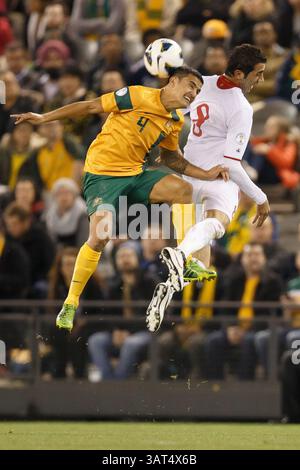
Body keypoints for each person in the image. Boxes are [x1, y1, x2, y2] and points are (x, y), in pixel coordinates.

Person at [12, 65, 228, 331]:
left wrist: (207, 174)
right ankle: (70, 302)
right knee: (100, 236)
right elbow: (92, 107)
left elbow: (173, 159)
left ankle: (184, 260)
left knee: (183, 191)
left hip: (134, 172)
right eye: (190, 85)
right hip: (102, 175)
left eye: (197, 90)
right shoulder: (137, 95)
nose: (194, 93)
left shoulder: (175, 121)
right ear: (173, 81)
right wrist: (44, 118)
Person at [146, 44, 271, 332]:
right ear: (239, 73)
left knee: (201, 265)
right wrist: (260, 198)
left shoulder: (202, 84)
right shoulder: (240, 107)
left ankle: (170, 282)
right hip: (217, 178)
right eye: (258, 74)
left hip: (188, 177)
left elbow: (169, 106)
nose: (260, 80)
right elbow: (232, 164)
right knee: (218, 224)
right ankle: (179, 256)